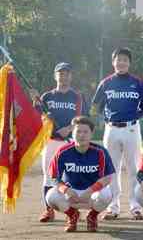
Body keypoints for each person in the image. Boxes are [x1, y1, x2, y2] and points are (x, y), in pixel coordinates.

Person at [91, 47, 143, 220]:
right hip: (111, 129)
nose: (121, 62)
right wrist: (106, 117)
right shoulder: (106, 83)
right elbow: (96, 106)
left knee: (134, 168)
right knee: (112, 170)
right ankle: (113, 207)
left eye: (125, 60)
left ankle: (135, 207)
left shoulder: (137, 82)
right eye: (118, 59)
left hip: (131, 128)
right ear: (113, 62)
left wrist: (136, 116)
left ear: (129, 63)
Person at [34, 62, 88, 223]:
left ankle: (73, 211)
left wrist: (69, 127)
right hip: (51, 141)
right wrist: (36, 104)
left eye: (66, 73)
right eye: (60, 73)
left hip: (70, 141)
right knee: (48, 176)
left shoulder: (77, 96)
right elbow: (37, 117)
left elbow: (83, 118)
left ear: (71, 76)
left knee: (71, 176)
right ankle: (48, 210)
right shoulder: (46, 97)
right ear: (55, 76)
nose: (63, 76)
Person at [45, 116, 114, 232]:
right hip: (71, 193)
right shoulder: (63, 152)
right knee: (51, 196)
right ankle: (72, 215)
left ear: (91, 133)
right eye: (78, 131)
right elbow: (54, 177)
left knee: (106, 194)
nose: (82, 135)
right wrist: (66, 190)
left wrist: (90, 191)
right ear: (72, 132)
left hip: (92, 193)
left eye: (85, 132)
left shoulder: (100, 152)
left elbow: (107, 177)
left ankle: (92, 216)